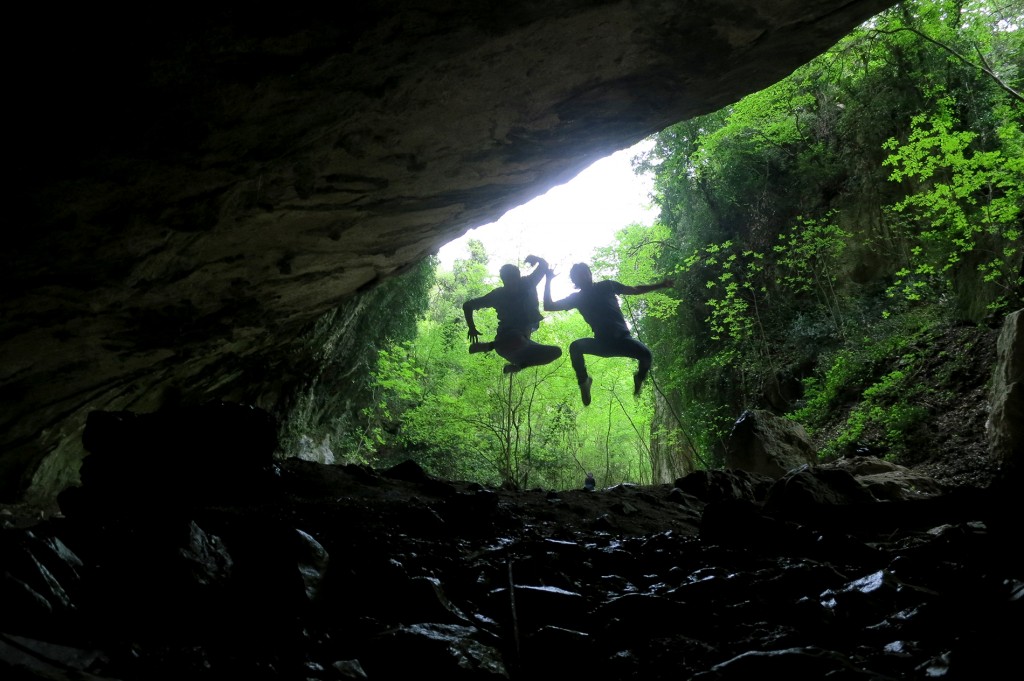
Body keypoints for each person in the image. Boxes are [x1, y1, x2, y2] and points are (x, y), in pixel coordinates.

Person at [544, 262, 672, 406]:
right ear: (575, 281)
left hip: (623, 341)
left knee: (647, 355)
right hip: (602, 344)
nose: (584, 276)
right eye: (579, 275)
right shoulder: (577, 298)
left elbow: (635, 290)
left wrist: (660, 285)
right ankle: (584, 381)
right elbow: (548, 306)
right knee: (575, 347)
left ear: (590, 273)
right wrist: (548, 279)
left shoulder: (607, 285)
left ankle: (639, 379)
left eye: (585, 272)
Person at [463, 255, 562, 374]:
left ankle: (519, 367)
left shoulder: (528, 283)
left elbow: (544, 265)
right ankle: (489, 346)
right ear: (503, 281)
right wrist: (471, 327)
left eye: (514, 280)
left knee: (556, 352)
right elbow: (468, 305)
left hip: (523, 346)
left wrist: (536, 258)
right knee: (516, 336)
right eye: (507, 281)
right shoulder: (498, 295)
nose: (511, 285)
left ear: (519, 278)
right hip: (505, 342)